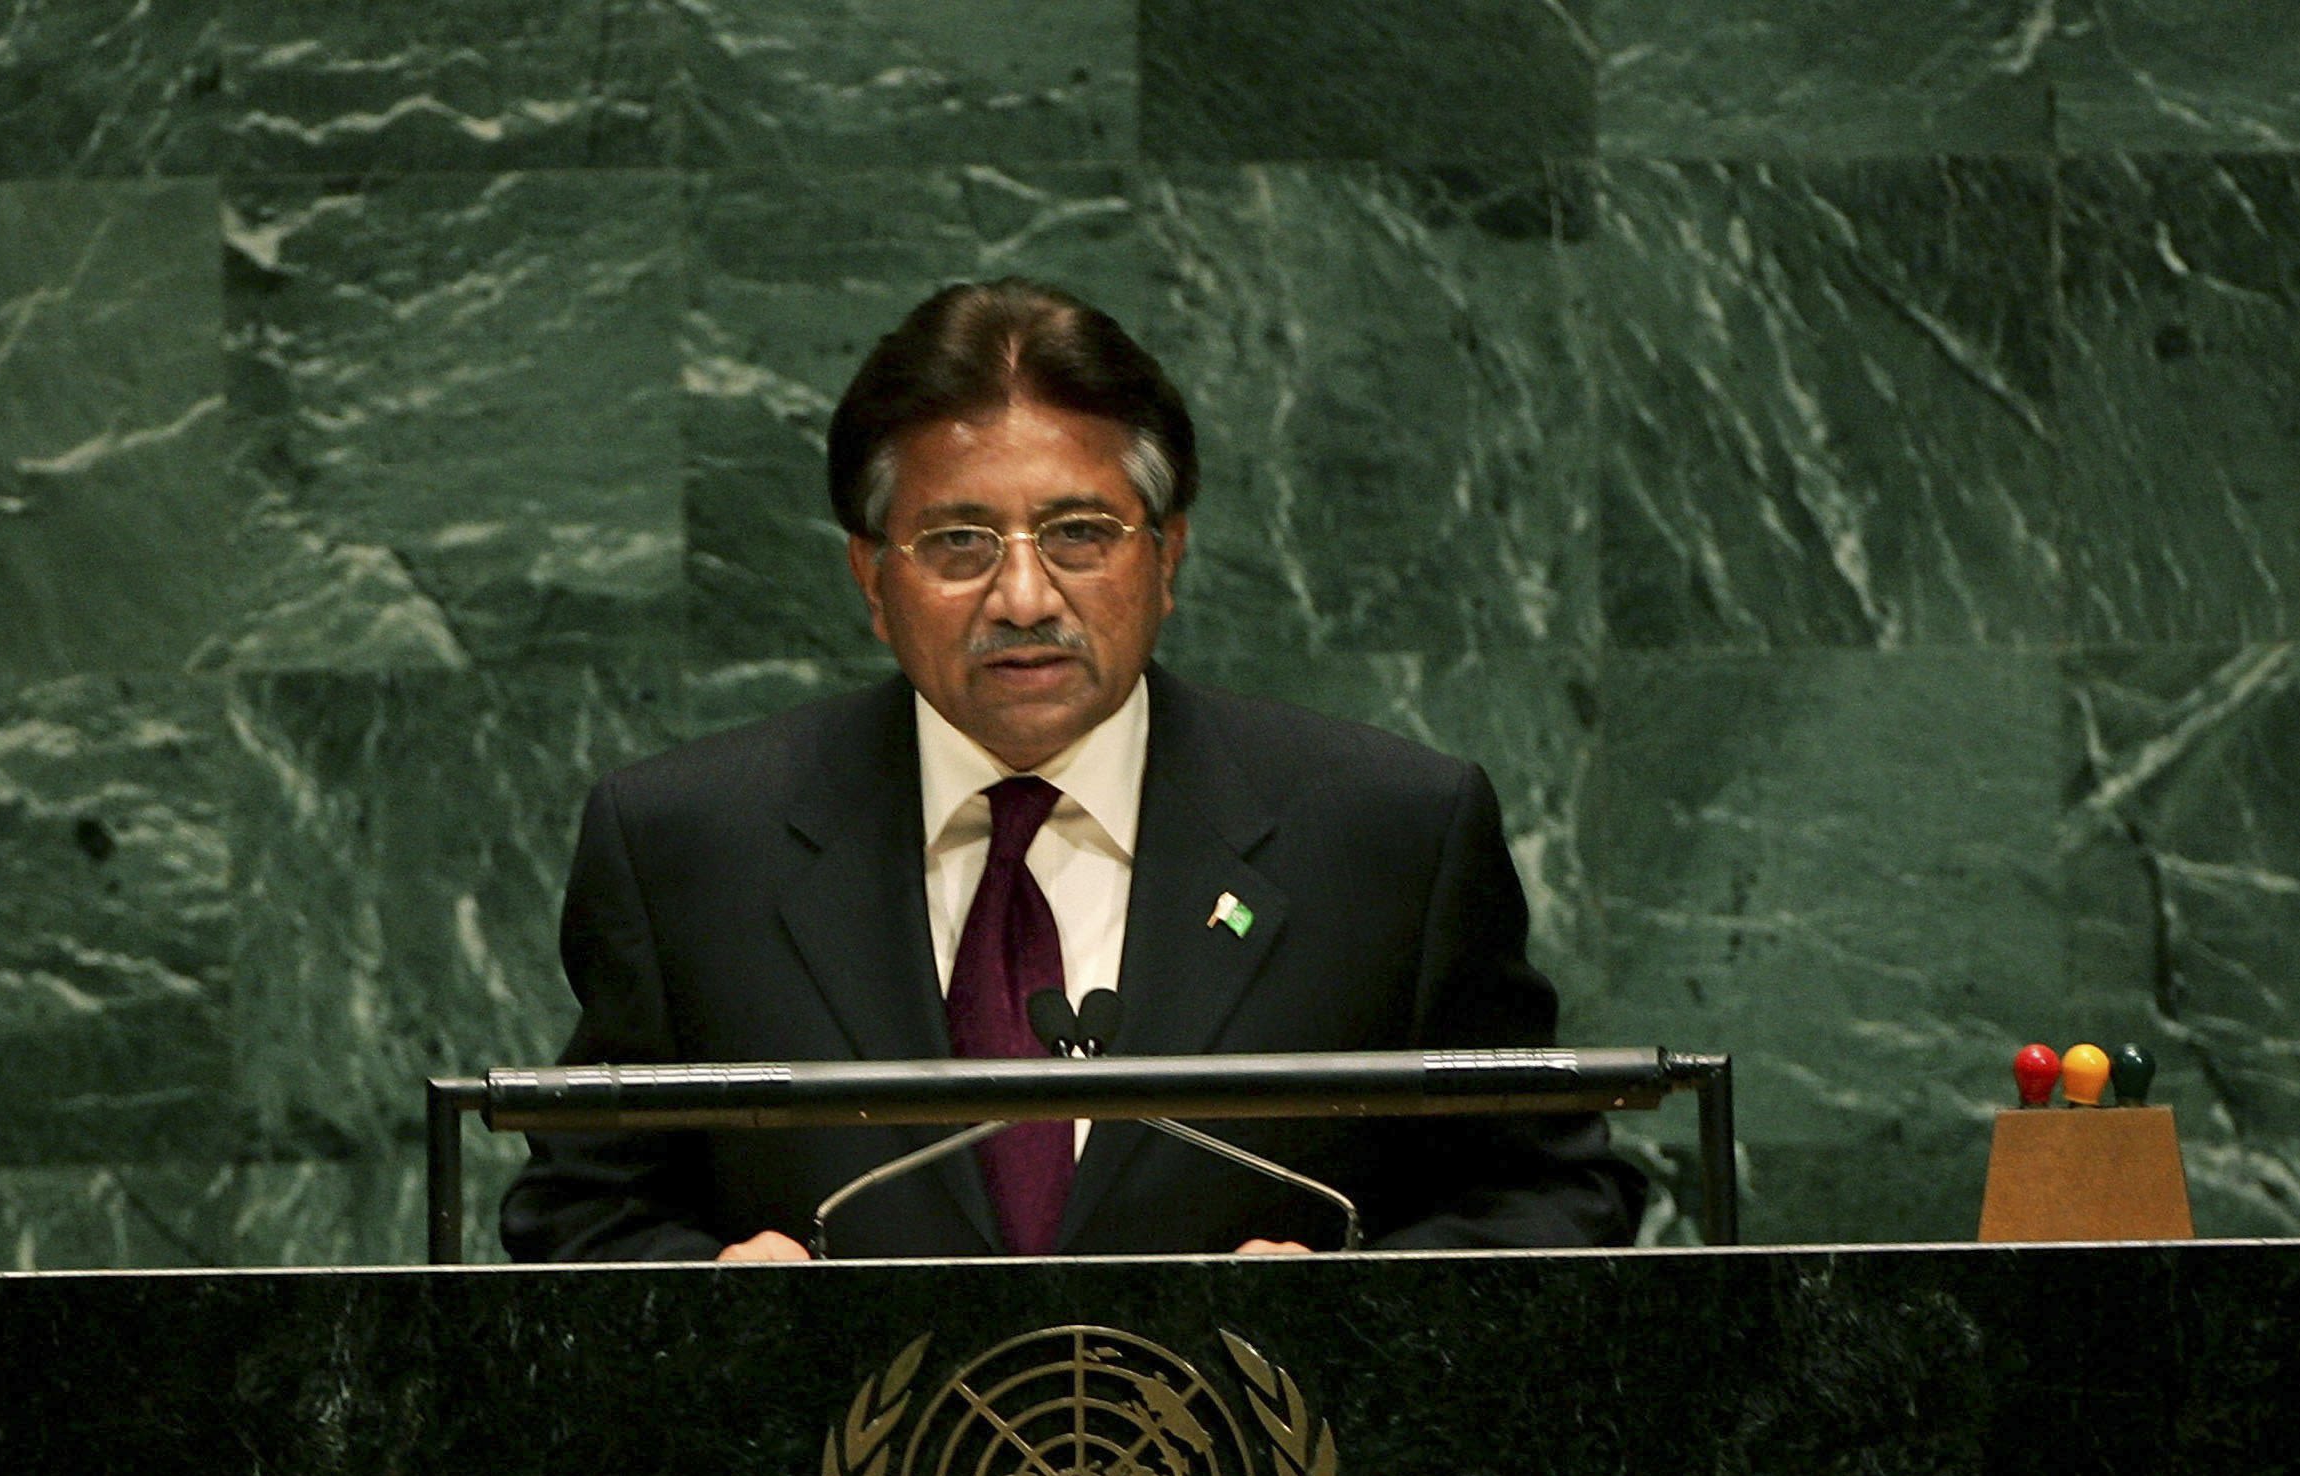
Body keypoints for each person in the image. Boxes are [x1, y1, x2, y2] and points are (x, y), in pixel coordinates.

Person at [499, 278, 1642, 1263]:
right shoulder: (689, 845)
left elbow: (1556, 1194)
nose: (1026, 598)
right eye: (958, 543)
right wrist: (709, 1294)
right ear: (869, 577)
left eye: (1081, 533)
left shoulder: (1389, 835)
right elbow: (577, 1212)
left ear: (1169, 553)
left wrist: (1354, 1310)